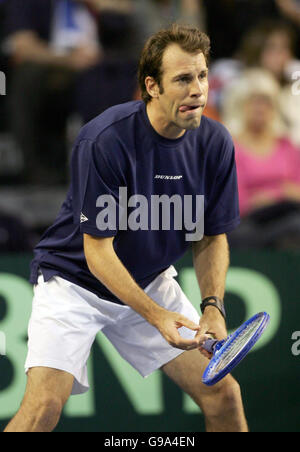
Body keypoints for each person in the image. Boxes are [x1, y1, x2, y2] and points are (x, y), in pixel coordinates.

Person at [4, 24, 248, 433]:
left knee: (224, 395)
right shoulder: (105, 140)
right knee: (43, 407)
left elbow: (210, 235)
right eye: (183, 79)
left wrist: (212, 306)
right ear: (152, 86)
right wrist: (156, 316)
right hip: (75, 282)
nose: (198, 90)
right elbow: (98, 252)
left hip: (149, 280)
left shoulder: (215, 143)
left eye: (203, 76)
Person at [222, 69, 300, 249]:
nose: (260, 108)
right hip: (248, 224)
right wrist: (281, 191)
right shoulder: (230, 148)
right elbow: (235, 201)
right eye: (254, 102)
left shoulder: (287, 146)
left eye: (266, 102)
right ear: (241, 106)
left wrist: (271, 196)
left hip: (289, 216)